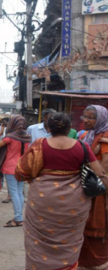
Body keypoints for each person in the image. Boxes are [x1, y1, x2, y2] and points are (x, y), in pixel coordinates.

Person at [16, 113, 107, 270]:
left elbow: (20, 172)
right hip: (75, 202)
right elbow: (100, 173)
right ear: (69, 128)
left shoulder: (39, 144)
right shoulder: (82, 146)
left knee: (37, 240)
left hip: (42, 200)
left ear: (49, 128)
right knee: (70, 239)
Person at [78, 105, 108, 270]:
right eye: (85, 117)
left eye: (91, 117)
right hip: (87, 185)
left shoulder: (105, 135)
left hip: (99, 189)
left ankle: (98, 262)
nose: (87, 120)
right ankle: (85, 262)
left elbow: (105, 166)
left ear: (101, 119)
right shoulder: (87, 135)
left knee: (97, 224)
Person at [0, 115, 31, 227]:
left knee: (14, 193)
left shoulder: (10, 137)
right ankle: (19, 217)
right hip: (22, 167)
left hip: (10, 167)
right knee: (19, 192)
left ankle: (18, 218)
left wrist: (0, 133)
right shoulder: (28, 136)